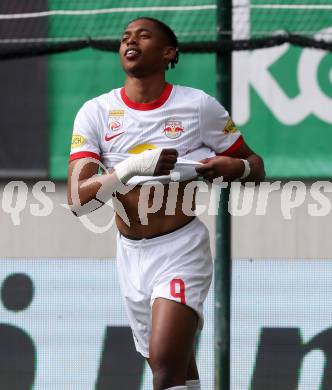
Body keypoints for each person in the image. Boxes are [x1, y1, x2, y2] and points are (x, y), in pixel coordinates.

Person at [67, 16, 265, 390]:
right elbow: (79, 201)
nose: (131, 41)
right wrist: (132, 168)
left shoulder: (198, 106)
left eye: (144, 35)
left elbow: (256, 167)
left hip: (180, 249)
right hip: (130, 254)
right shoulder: (95, 112)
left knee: (164, 368)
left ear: (169, 52)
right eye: (125, 36)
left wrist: (234, 166)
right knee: (177, 371)